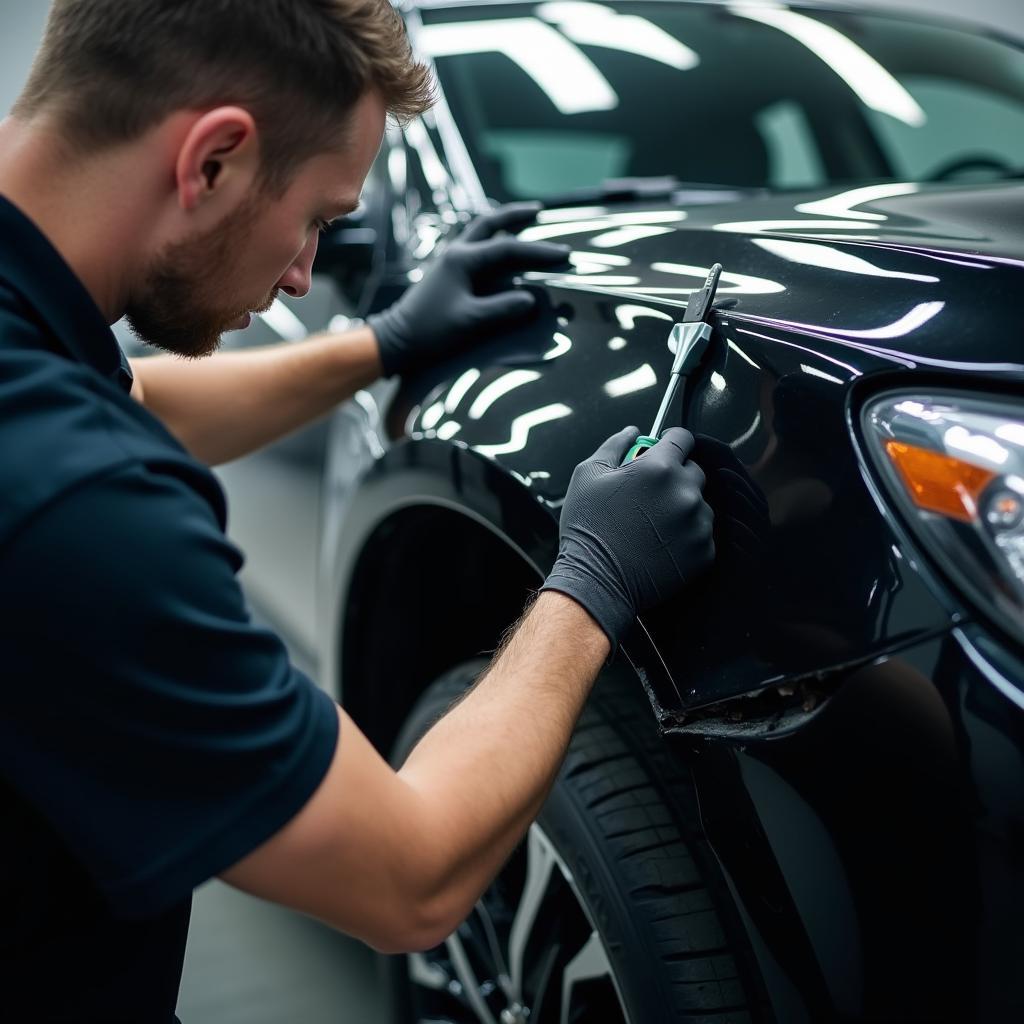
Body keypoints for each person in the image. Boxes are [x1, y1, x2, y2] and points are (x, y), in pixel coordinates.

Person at [0, 1, 714, 1019]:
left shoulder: (35, 359)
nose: (301, 271)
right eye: (320, 217)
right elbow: (410, 876)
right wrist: (591, 583)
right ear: (212, 161)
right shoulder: (76, 498)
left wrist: (380, 343)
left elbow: (131, 400)